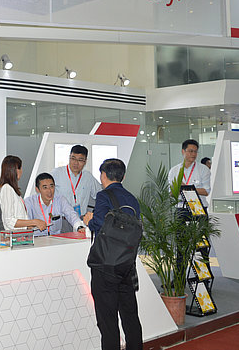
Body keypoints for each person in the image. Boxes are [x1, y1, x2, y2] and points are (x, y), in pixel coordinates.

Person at [82, 158, 142, 350]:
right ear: (122, 176)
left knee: (107, 320)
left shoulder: (103, 195)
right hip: (127, 264)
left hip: (106, 264)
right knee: (130, 315)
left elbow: (100, 223)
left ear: (103, 175)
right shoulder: (132, 198)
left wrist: (89, 221)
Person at [50, 145, 101, 232]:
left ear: (85, 161)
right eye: (73, 158)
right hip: (62, 220)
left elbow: (100, 194)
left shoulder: (88, 177)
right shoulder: (56, 173)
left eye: (80, 160)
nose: (75, 163)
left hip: (81, 220)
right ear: (69, 157)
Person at [0, 155, 47, 232]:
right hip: (12, 236)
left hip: (19, 235)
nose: (22, 171)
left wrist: (28, 226)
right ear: (15, 170)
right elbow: (9, 221)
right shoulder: (7, 188)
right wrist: (34, 222)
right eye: (20, 168)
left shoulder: (11, 189)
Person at [168, 139, 211, 205]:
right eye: (191, 151)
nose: (193, 154)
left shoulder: (203, 169)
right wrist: (177, 188)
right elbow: (171, 193)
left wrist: (185, 188)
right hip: (181, 207)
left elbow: (206, 191)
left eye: (195, 151)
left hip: (199, 207)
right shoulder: (174, 170)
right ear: (183, 151)